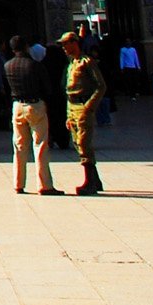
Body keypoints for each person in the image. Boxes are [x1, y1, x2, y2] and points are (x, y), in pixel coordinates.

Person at [3, 35, 61, 195]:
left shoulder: (8, 65)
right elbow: (47, 88)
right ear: (26, 47)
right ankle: (44, 185)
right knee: (40, 144)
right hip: (34, 104)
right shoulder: (35, 65)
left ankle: (18, 183)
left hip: (17, 106)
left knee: (19, 146)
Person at [62, 31, 108, 195]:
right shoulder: (71, 63)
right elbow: (69, 91)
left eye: (65, 44)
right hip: (73, 106)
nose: (64, 48)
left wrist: (89, 106)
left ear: (74, 43)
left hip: (83, 106)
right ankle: (95, 180)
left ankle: (90, 182)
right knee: (77, 142)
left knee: (84, 143)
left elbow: (100, 86)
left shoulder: (86, 62)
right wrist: (68, 115)